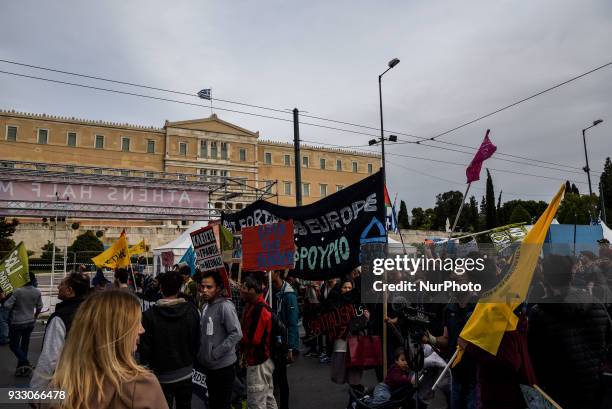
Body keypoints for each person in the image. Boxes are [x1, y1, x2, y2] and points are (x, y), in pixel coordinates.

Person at [48, 290, 168, 409]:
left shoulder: (59, 383)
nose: (142, 330)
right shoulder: (141, 385)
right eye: (136, 323)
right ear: (115, 333)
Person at [529, 254, 612, 409]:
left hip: (558, 390)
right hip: (593, 386)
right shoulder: (596, 304)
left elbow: (535, 354)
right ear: (571, 274)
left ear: (546, 277)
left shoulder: (538, 314)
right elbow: (608, 340)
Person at [140, 272, 201, 409]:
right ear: (179, 289)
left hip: (161, 376)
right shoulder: (191, 311)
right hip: (186, 371)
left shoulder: (149, 316)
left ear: (161, 288)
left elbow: (145, 349)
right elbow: (197, 340)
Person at [30, 273, 90, 389]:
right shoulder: (92, 311)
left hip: (65, 381)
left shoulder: (60, 317)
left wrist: (36, 389)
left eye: (61, 284)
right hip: (88, 380)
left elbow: (50, 357)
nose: (58, 287)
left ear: (69, 291)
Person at [197, 269, 243, 409]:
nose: (204, 290)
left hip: (223, 367)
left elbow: (236, 333)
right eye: (202, 286)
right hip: (210, 367)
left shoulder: (225, 306)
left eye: (209, 287)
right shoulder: (205, 306)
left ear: (218, 288)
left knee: (222, 405)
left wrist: (215, 353)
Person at [241, 276, 278, 409]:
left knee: (256, 402)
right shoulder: (253, 306)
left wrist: (239, 336)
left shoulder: (260, 310)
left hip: (258, 361)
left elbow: (254, 339)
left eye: (244, 287)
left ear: (252, 290)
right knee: (268, 398)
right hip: (263, 360)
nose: (241, 290)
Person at [5, 272, 43, 376]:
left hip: (17, 322)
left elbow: (7, 306)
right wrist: (35, 316)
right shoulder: (37, 291)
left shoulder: (18, 291)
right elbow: (40, 307)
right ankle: (23, 369)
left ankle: (26, 363)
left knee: (13, 345)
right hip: (30, 322)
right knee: (24, 346)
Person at [271, 270, 299, 409]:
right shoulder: (269, 291)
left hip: (282, 343)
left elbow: (292, 323)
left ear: (276, 273)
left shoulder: (289, 295)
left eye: (268, 271)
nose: (266, 273)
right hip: (271, 341)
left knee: (282, 378)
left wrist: (290, 347)